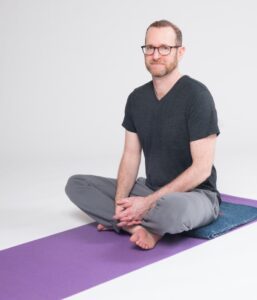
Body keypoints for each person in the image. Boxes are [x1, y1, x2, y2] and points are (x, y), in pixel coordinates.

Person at [65, 20, 221, 250]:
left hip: (194, 196)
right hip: (149, 188)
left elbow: (202, 169)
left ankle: (131, 221)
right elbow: (130, 156)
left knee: (172, 209)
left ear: (180, 51)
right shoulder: (136, 98)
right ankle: (137, 226)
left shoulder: (197, 96)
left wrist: (147, 203)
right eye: (150, 48)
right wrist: (120, 202)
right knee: (76, 184)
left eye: (164, 48)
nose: (156, 55)